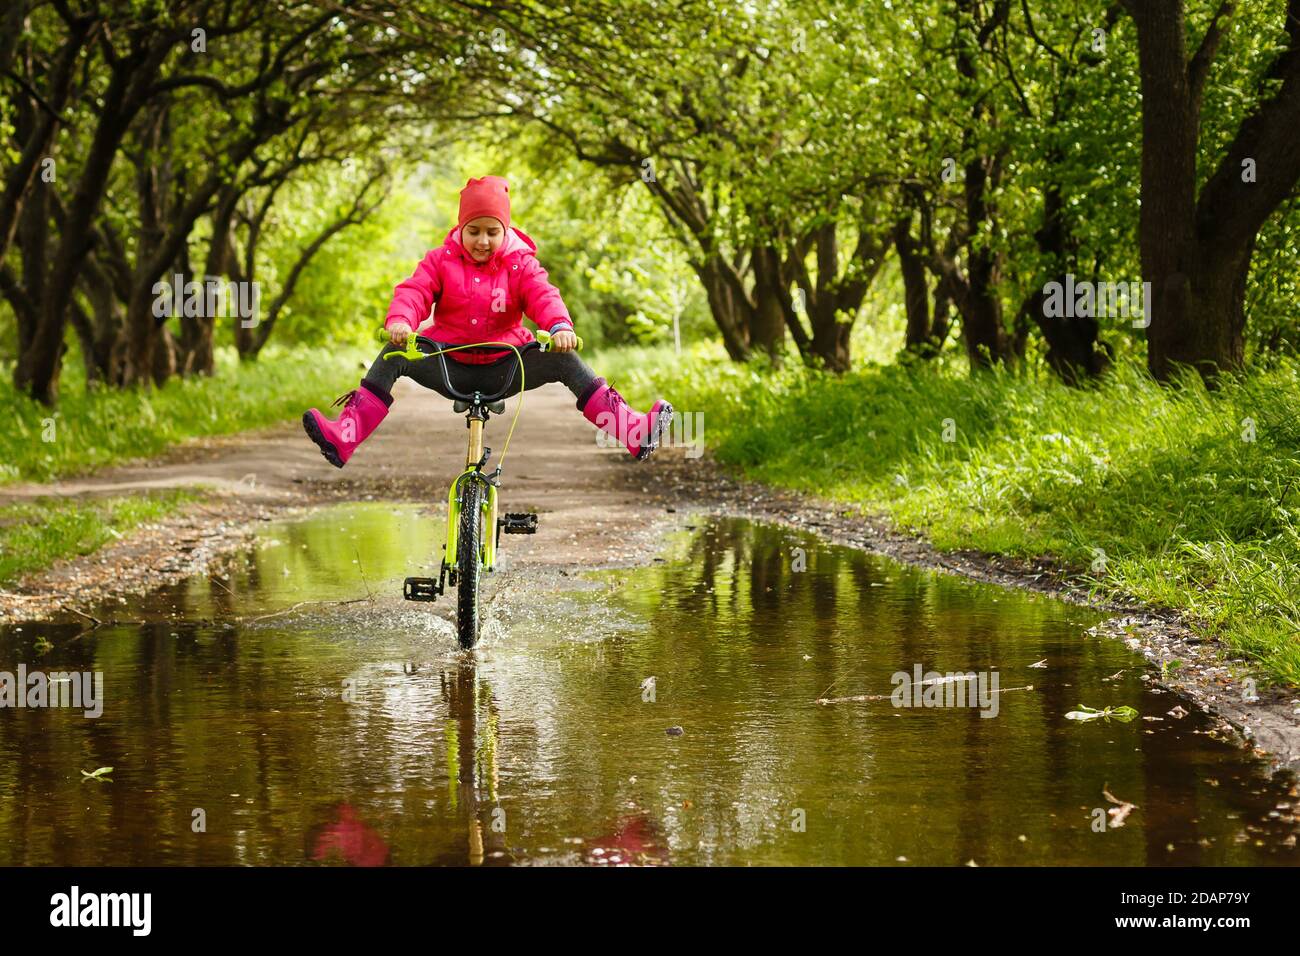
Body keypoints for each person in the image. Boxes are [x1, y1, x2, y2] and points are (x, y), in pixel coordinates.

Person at [303, 175, 673, 467]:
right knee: (392, 353)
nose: (482, 240)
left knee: (564, 359)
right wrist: (401, 319)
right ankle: (345, 436)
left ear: (506, 231)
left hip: (506, 367)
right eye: (474, 230)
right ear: (460, 229)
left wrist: (560, 326)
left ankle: (630, 430)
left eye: (492, 231)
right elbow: (415, 291)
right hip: (449, 364)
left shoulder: (520, 264)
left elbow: (543, 295)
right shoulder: (440, 259)